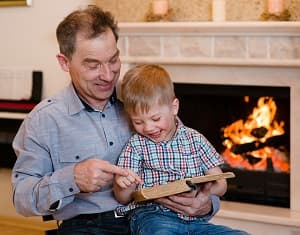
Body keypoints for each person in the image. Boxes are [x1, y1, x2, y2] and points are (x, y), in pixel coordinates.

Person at [11, 5, 221, 235]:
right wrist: (72, 179)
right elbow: (22, 198)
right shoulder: (43, 121)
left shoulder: (142, 98)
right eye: (93, 65)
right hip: (89, 226)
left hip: (160, 217)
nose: (108, 75)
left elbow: (193, 163)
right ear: (64, 62)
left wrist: (206, 205)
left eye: (113, 60)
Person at [113, 64, 249, 234]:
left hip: (196, 222)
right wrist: (123, 185)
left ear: (174, 108)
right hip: (154, 216)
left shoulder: (195, 139)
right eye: (138, 122)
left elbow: (221, 184)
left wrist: (200, 193)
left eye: (155, 118)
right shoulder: (136, 144)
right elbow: (123, 198)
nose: (148, 128)